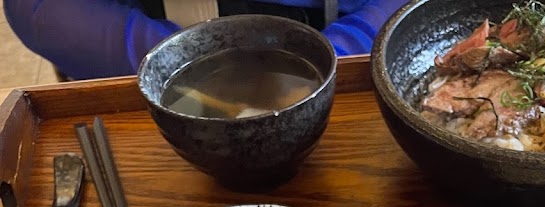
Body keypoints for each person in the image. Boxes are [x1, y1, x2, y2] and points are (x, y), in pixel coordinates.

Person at [2, 0, 405, 80]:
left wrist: (346, 48)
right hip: (145, 51)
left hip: (348, 50)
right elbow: (36, 8)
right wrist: (169, 57)